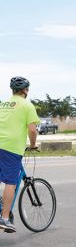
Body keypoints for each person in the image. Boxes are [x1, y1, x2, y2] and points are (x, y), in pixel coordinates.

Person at [0, 76, 40, 232]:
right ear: (25, 90)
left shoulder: (3, 104)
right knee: (11, 182)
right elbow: (32, 129)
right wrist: (32, 145)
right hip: (11, 148)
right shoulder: (26, 105)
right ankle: (4, 218)